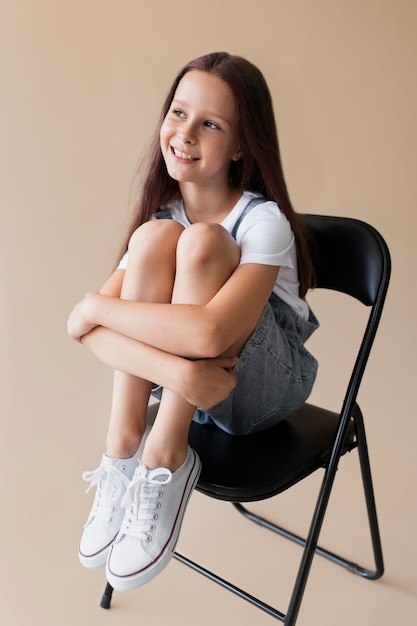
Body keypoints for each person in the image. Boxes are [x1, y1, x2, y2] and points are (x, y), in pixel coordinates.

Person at [67, 51, 319, 593]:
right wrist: (180, 374)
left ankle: (165, 453)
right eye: (179, 113)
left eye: (211, 124)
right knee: (158, 238)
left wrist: (92, 306)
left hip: (266, 393)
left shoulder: (263, 221)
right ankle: (125, 444)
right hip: (201, 384)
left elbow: (208, 335)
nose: (185, 133)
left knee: (203, 243)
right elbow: (89, 333)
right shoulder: (163, 220)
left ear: (242, 145)